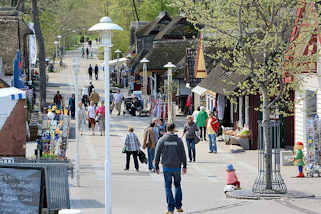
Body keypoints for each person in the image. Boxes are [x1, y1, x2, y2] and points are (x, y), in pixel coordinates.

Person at [155, 123, 187, 214]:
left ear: (166, 129)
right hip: (177, 167)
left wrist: (156, 166)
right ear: (174, 129)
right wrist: (184, 166)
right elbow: (183, 154)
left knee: (168, 187)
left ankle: (170, 209)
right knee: (177, 185)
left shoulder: (162, 140)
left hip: (166, 167)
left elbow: (157, 153)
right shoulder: (178, 140)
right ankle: (178, 206)